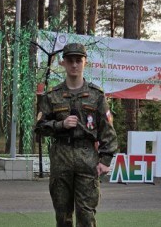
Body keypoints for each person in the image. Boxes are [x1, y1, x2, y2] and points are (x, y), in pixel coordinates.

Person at [34, 43, 118, 227]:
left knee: (86, 214)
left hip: (87, 157)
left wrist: (105, 160)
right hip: (61, 156)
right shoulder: (53, 96)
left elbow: (107, 129)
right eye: (70, 61)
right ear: (63, 63)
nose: (74, 65)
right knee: (62, 214)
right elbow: (39, 127)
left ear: (84, 62)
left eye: (78, 60)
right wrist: (60, 125)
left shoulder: (96, 95)